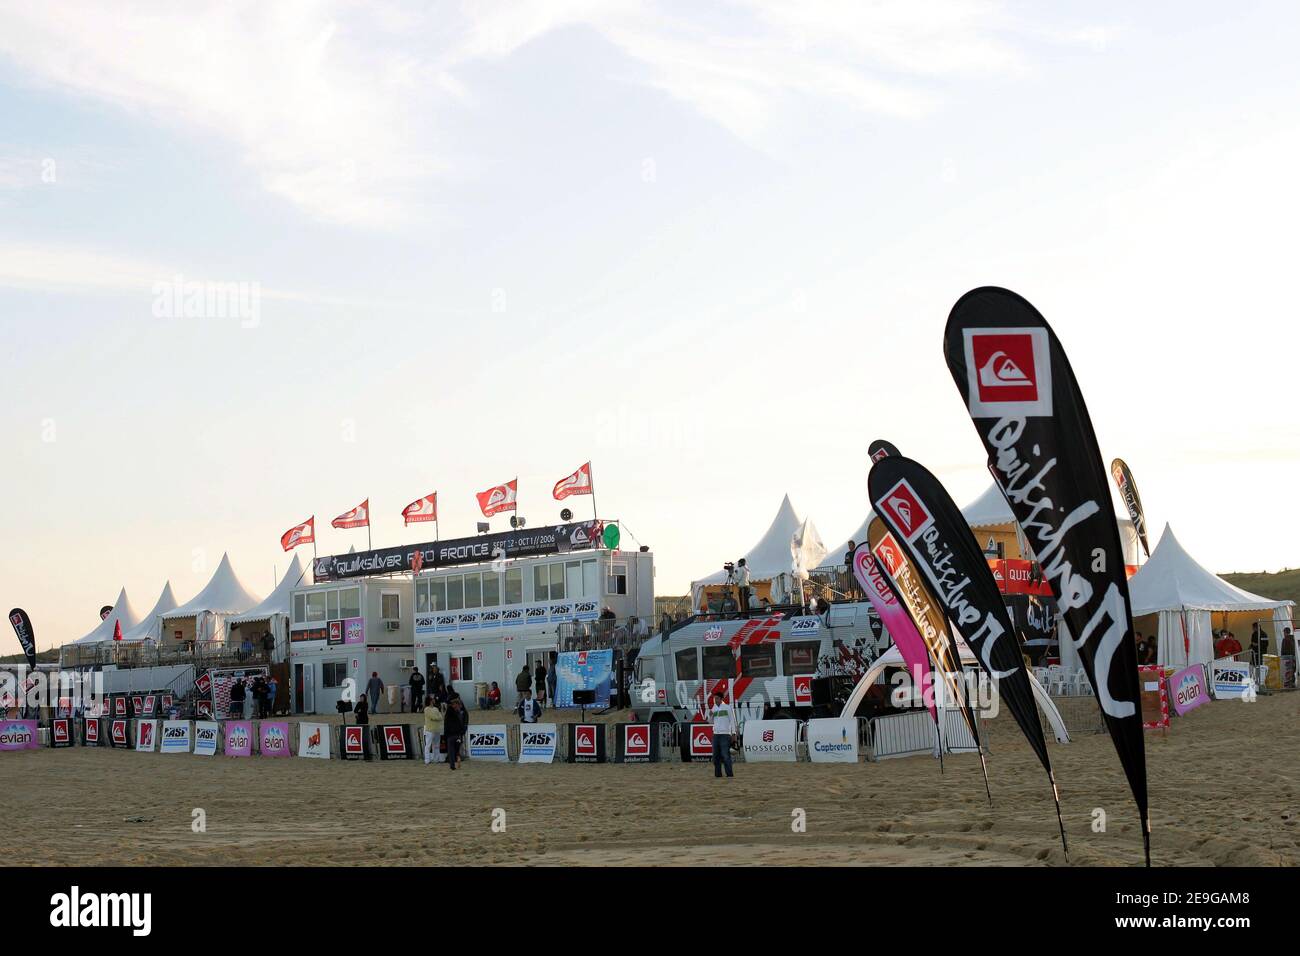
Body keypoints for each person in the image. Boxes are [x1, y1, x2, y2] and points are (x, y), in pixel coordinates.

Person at [708, 690, 736, 779]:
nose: (715, 700)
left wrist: (733, 733)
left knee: (725, 755)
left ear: (721, 699)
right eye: (714, 699)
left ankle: (729, 774)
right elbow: (710, 722)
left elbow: (732, 721)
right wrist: (711, 715)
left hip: (725, 734)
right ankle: (718, 775)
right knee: (715, 756)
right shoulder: (714, 708)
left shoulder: (727, 707)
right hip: (716, 734)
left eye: (717, 698)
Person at [443, 697, 467, 770]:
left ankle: (453, 765)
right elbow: (461, 724)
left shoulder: (450, 712)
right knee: (456, 749)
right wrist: (462, 732)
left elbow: (446, 724)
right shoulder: (458, 713)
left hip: (452, 735)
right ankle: (457, 761)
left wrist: (445, 734)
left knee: (452, 750)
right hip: (457, 735)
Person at [422, 696, 444, 765]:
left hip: (437, 729)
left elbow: (441, 717)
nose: (434, 700)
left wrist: (437, 717)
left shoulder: (436, 709)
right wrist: (437, 717)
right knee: (428, 745)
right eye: (432, 699)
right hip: (430, 730)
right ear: (430, 701)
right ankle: (427, 760)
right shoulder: (426, 709)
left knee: (436, 745)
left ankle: (436, 759)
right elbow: (433, 717)